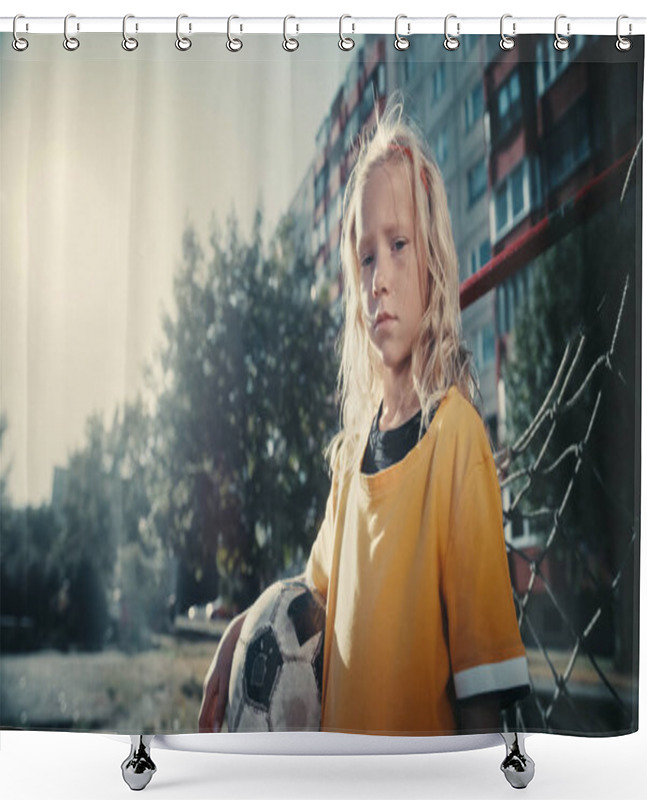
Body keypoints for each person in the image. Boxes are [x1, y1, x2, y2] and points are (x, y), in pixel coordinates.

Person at [199, 101, 529, 736]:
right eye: (366, 257)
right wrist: (238, 631)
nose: (378, 278)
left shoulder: (458, 441)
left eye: (398, 245)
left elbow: (482, 707)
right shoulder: (351, 458)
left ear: (432, 257)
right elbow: (310, 587)